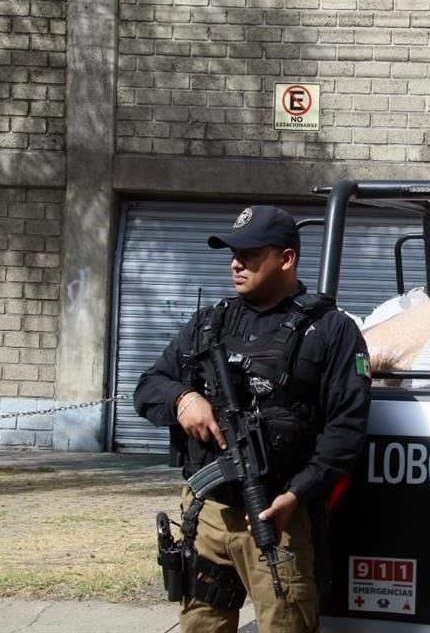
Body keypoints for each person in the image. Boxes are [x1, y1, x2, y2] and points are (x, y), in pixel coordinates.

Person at [134, 204, 372, 633]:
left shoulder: (332, 330)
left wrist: (298, 495)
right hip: (206, 515)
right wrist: (183, 398)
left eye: (250, 253)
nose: (235, 263)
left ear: (286, 258)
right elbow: (149, 385)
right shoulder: (210, 322)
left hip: (277, 518)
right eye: (232, 252)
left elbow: (346, 428)